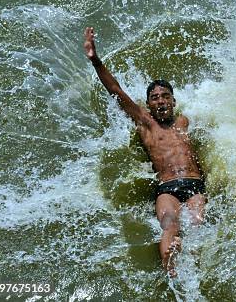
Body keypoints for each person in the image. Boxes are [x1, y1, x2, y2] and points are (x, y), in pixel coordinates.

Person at [83, 27, 206, 276]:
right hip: (167, 188)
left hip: (195, 185)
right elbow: (116, 91)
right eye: (155, 97)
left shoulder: (186, 121)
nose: (160, 101)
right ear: (148, 104)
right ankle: (171, 272)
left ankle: (194, 271)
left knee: (197, 224)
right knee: (169, 224)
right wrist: (96, 61)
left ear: (173, 101)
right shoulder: (145, 124)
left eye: (165, 96)